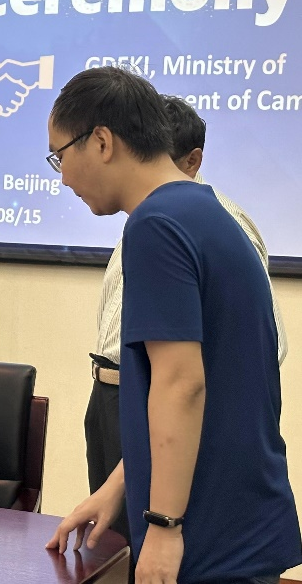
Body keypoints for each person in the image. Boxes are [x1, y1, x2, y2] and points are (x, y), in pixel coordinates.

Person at [45, 67, 301, 583]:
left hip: (207, 529)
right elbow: (215, 377)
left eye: (60, 156)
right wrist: (118, 487)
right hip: (241, 514)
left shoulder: (156, 225)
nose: (63, 177)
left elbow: (182, 383)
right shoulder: (203, 211)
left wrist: (163, 526)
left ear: (101, 142)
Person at [84, 94, 289, 544]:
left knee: (162, 551)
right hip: (119, 398)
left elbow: (249, 351)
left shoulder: (202, 221)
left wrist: (164, 526)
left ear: (191, 161)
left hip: (168, 406)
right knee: (119, 549)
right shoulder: (149, 218)